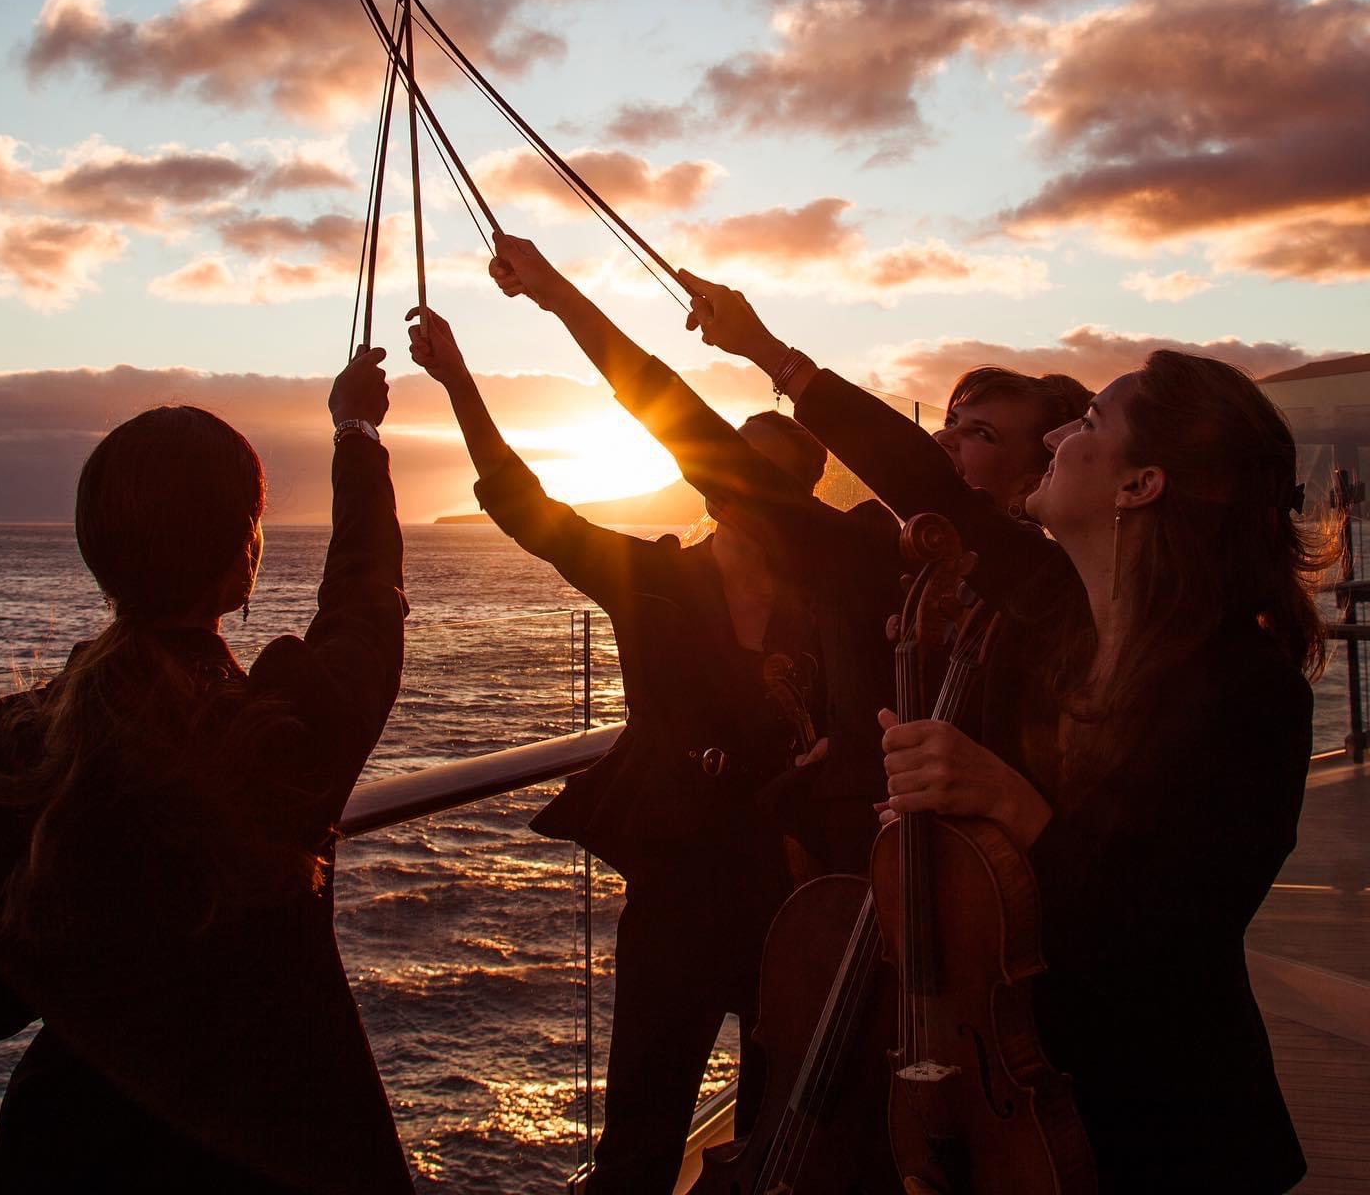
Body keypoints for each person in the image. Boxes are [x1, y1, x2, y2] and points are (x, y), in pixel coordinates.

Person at [685, 277, 1323, 1191]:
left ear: (1142, 485)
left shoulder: (1248, 692)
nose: (1060, 437)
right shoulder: (1061, 617)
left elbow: (1167, 943)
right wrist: (768, 353)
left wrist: (1004, 801)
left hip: (1167, 1128)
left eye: (1090, 426)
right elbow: (923, 478)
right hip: (1029, 1104)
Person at [0, 348, 415, 1194]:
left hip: (67, 1154)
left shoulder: (3, 746)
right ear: (247, 551)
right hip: (275, 1147)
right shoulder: (280, 726)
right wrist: (355, 431)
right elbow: (365, 598)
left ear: (100, 553)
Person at [485, 232, 1090, 875]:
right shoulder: (868, 556)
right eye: (951, 421)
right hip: (849, 882)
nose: (943, 439)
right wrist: (560, 297)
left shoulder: (1063, 611)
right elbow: (699, 439)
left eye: (983, 435)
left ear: (1034, 479)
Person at [407, 303, 825, 1195]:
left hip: (793, 903)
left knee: (776, 1140)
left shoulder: (837, 614)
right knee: (637, 1146)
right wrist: (460, 383)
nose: (753, 492)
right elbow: (529, 510)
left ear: (807, 497)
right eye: (739, 471)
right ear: (713, 483)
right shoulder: (657, 582)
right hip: (674, 897)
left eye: (776, 478)